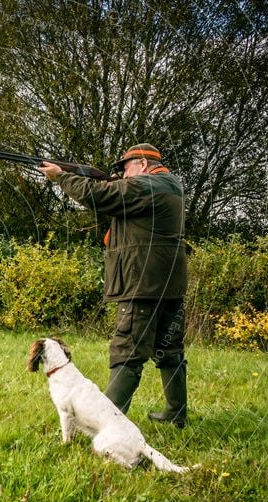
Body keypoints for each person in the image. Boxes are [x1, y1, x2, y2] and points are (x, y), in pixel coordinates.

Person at [38, 143, 188, 428]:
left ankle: (105, 425)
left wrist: (61, 176)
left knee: (127, 353)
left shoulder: (145, 186)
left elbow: (97, 196)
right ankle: (176, 413)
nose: (122, 174)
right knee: (170, 351)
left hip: (142, 284)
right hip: (169, 284)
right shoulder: (172, 186)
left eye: (125, 168)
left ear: (142, 164)